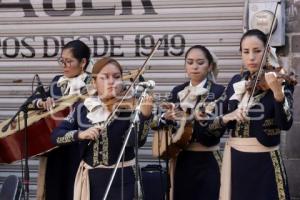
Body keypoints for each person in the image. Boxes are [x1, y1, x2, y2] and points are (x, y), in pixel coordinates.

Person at [51, 57, 153, 200]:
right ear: (94, 82)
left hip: (124, 180)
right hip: (91, 182)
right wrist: (80, 135)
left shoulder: (131, 107)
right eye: (104, 78)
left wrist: (145, 116)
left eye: (117, 77)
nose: (112, 81)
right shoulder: (83, 108)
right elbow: (56, 136)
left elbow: (136, 141)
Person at [209, 29, 294, 200]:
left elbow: (286, 124)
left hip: (265, 161)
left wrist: (278, 93)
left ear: (267, 51)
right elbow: (211, 124)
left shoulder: (281, 80)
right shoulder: (236, 81)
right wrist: (227, 116)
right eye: (246, 52)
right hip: (237, 160)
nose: (251, 57)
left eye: (257, 51)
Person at [160, 45, 225, 200]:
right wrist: (165, 118)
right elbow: (160, 123)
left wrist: (188, 118)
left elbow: (214, 129)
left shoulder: (218, 91)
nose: (194, 66)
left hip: (208, 158)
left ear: (209, 66)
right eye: (190, 62)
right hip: (181, 159)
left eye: (200, 62)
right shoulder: (177, 91)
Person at [35, 40, 92, 200]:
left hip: (79, 147)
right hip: (56, 146)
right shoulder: (57, 81)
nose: (64, 66)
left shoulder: (93, 83)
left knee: (74, 192)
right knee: (54, 191)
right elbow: (35, 100)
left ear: (83, 62)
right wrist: (42, 102)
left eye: (69, 61)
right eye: (62, 61)